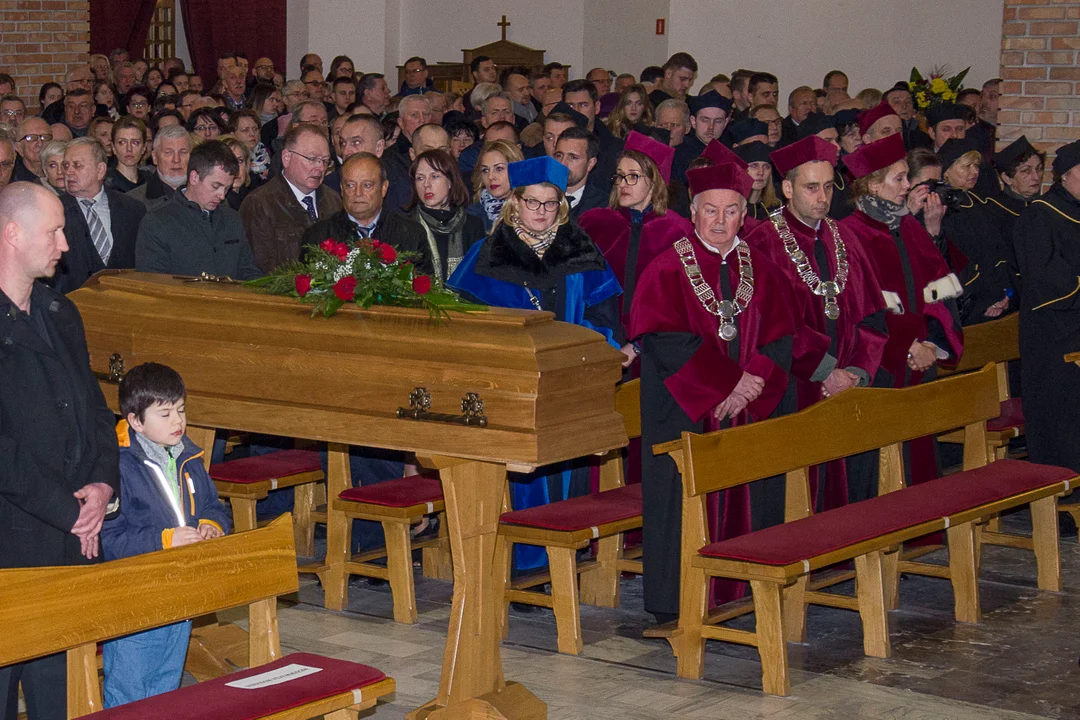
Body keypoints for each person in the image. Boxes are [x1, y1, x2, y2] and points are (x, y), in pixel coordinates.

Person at [631, 162, 809, 623]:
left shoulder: (763, 268)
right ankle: (682, 603)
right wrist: (727, 381)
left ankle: (747, 589)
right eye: (710, 210)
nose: (719, 220)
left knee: (753, 491)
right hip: (685, 415)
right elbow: (664, 340)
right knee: (683, 502)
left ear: (743, 214)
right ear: (692, 211)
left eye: (731, 211)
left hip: (748, 411)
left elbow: (781, 337)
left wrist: (752, 383)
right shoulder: (667, 268)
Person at [449, 156, 622, 572]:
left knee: (567, 472)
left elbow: (605, 317)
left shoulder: (580, 249)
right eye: (533, 202)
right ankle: (525, 566)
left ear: (561, 205)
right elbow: (466, 323)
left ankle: (561, 564)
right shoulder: (486, 253)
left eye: (550, 203)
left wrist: (592, 351)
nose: (541, 212)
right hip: (511, 386)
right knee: (524, 477)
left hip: (570, 383)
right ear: (515, 202)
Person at [0, 181, 120, 719]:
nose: (65, 244)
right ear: (11, 234)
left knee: (57, 685)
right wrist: (68, 510)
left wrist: (101, 486)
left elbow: (96, 411)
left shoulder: (59, 311)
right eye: (53, 231)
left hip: (70, 533)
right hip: (12, 536)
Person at [745, 135, 888, 504]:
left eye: (827, 186)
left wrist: (857, 370)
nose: (822, 197)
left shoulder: (847, 238)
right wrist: (826, 371)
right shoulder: (762, 243)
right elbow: (769, 327)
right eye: (811, 187)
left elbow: (873, 315)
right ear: (788, 188)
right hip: (795, 384)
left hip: (850, 385)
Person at [100, 363, 231, 708]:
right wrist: (164, 540)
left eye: (181, 410)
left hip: (181, 589)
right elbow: (108, 539)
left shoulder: (189, 455)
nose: (178, 421)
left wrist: (211, 525)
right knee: (131, 687)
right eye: (165, 413)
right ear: (135, 421)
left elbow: (214, 505)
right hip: (136, 593)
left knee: (165, 684)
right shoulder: (116, 464)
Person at [840, 133, 963, 489]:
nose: (908, 185)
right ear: (872, 184)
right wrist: (905, 346)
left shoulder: (909, 226)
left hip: (919, 361)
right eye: (899, 178)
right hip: (880, 366)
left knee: (918, 454)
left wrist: (932, 345)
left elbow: (940, 289)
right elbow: (861, 305)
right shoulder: (849, 234)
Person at [580, 131, 691, 356]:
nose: (623, 184)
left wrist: (639, 345)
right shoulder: (594, 223)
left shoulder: (678, 231)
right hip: (598, 339)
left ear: (654, 180)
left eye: (633, 176)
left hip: (655, 347)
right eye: (620, 176)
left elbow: (679, 300)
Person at [1014, 139, 1080, 474]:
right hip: (1054, 338)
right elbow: (1046, 281)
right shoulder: (1040, 215)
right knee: (1061, 419)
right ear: (1065, 175)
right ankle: (1062, 495)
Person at [136, 139, 261, 280]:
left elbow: (249, 272)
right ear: (194, 177)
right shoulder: (157, 222)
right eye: (215, 186)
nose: (222, 195)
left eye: (226, 188)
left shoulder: (232, 219)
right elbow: (152, 283)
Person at [300, 152, 432, 274]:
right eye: (350, 185)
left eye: (367, 185)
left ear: (384, 188)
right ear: (341, 189)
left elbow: (423, 290)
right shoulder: (318, 236)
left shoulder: (411, 234)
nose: (357, 193)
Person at [240, 123, 342, 273]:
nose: (320, 168)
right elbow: (261, 268)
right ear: (286, 158)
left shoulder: (334, 200)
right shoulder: (259, 204)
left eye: (325, 161)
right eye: (312, 159)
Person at [934, 139, 1014, 324]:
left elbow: (998, 252)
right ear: (946, 171)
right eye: (966, 166)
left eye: (976, 166)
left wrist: (1006, 293)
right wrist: (989, 298)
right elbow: (958, 262)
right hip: (968, 301)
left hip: (996, 296)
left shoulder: (981, 203)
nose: (975, 172)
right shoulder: (942, 209)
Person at [54, 137, 145, 292]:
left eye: (77, 165)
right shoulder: (52, 211)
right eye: (66, 165)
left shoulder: (133, 209)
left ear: (100, 170)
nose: (68, 172)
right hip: (72, 306)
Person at [405, 149, 486, 282]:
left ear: (450, 181)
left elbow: (480, 279)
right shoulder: (406, 227)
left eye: (435, 176)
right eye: (420, 178)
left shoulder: (472, 226)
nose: (426, 184)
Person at [985, 135, 1043, 259]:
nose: (1036, 177)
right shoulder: (992, 211)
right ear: (1007, 178)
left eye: (1039, 169)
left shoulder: (1046, 206)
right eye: (1026, 171)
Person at [672, 90, 732, 185]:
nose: (711, 127)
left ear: (725, 123)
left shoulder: (730, 157)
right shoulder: (676, 157)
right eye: (705, 120)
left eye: (718, 121)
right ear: (693, 121)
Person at [126, 124, 192, 210]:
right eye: (168, 153)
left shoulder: (208, 196)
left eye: (183, 152)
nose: (176, 160)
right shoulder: (132, 202)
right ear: (155, 157)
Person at [467, 139, 523, 232]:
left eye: (499, 169)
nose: (490, 176)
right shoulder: (473, 215)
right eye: (485, 170)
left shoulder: (534, 208)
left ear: (516, 169)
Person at [553, 126, 607, 220]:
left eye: (573, 157)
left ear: (590, 164)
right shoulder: (540, 197)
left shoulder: (603, 207)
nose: (562, 163)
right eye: (559, 155)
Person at [733, 141, 780, 220]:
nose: (761, 172)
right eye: (754, 166)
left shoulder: (775, 209)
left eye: (766, 167)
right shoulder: (732, 209)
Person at [12, 117, 51, 183]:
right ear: (18, 147)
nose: (40, 143)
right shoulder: (12, 179)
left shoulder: (61, 174)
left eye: (45, 137)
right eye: (31, 138)